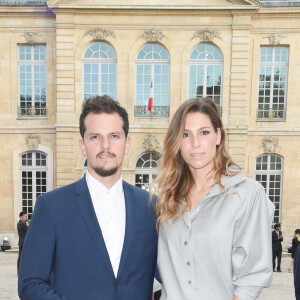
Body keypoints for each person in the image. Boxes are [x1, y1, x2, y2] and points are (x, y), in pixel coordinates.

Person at [18, 95, 158, 300]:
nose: (105, 146)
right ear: (83, 145)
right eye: (95, 137)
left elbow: (171, 276)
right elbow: (30, 283)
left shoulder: (151, 206)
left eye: (114, 136)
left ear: (126, 144)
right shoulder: (52, 207)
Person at [153, 97, 274, 300]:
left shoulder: (248, 193)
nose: (195, 143)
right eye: (185, 134)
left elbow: (251, 278)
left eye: (204, 132)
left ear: (218, 135)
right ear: (177, 142)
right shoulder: (167, 198)